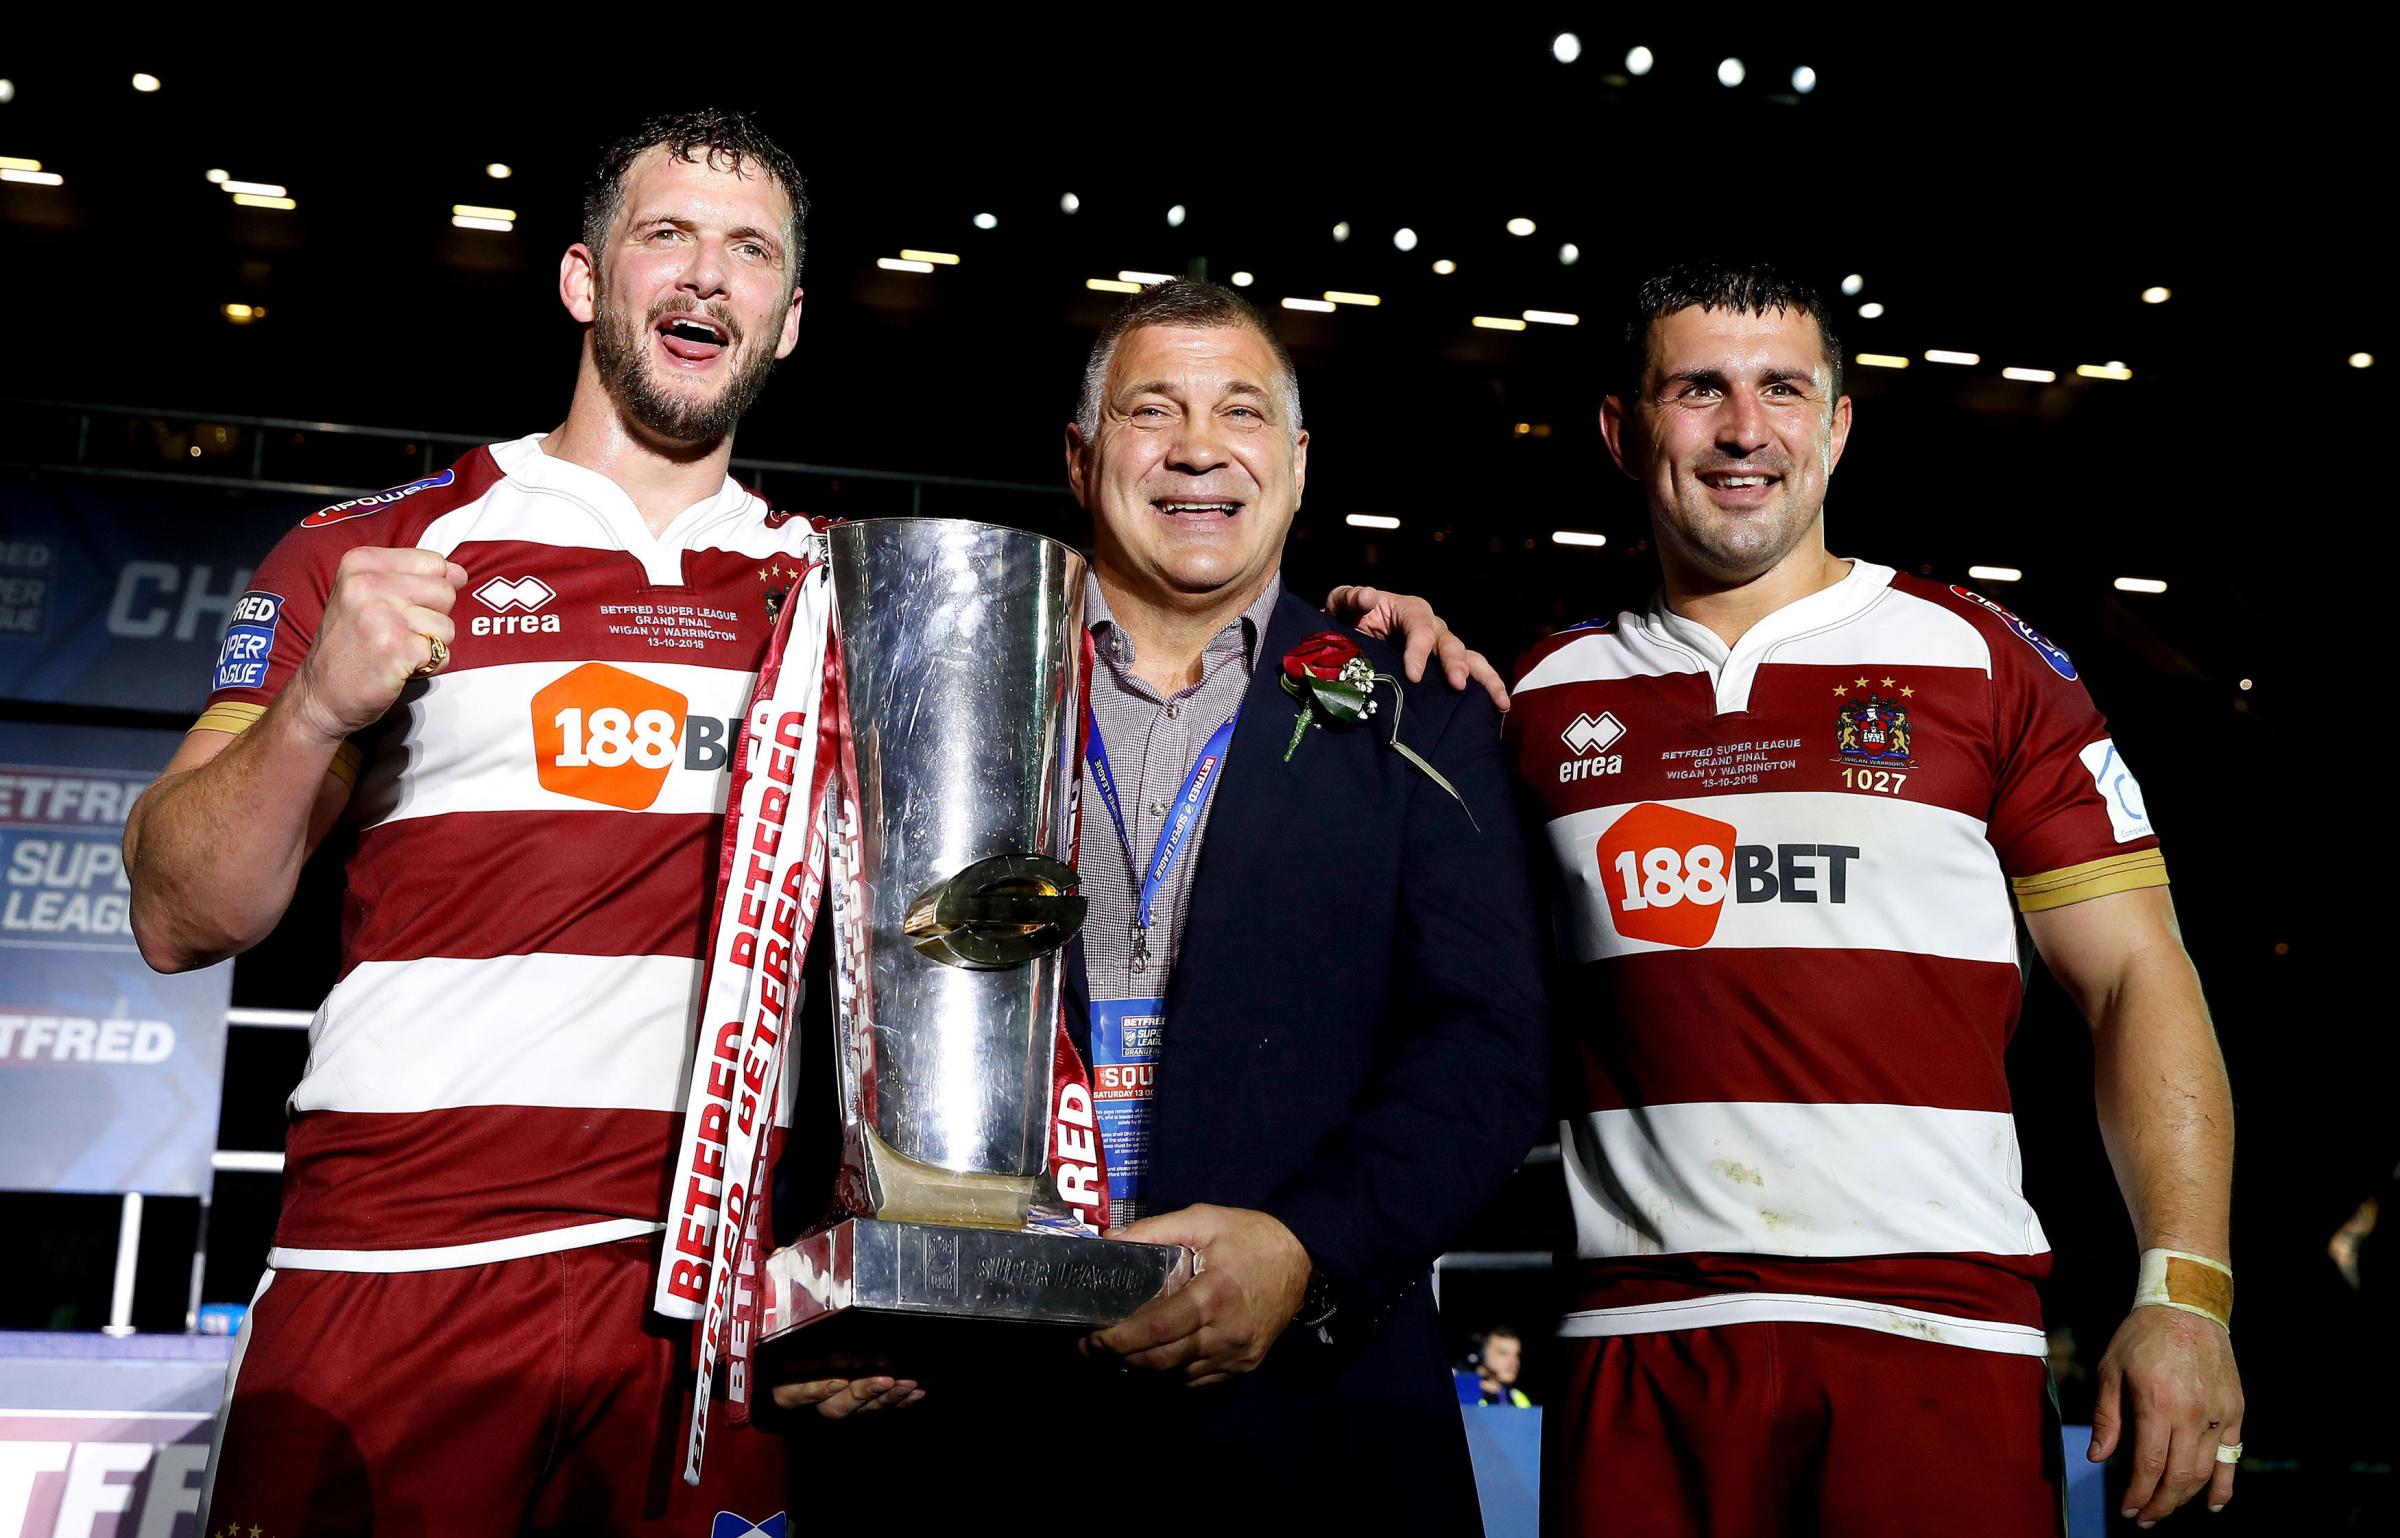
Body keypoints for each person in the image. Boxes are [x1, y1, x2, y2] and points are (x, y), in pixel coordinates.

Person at [783, 278, 1550, 1530]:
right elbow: (807, 997)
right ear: (1084, 460)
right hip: (975, 1417)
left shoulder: (1420, 710)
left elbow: (1488, 1053)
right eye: (1155, 410)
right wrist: (808, 1283)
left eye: (1240, 412)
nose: (1199, 446)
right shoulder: (931, 683)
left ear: (1297, 467)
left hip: (1313, 1419)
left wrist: (1304, 1251)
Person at [1503, 261, 2242, 1535]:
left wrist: (2185, 1288)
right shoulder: (1535, 697)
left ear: (1838, 425)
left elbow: (2138, 975)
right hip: (1644, 1337)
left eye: (1784, 389)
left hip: (1935, 1333)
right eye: (1701, 389)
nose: (1746, 430)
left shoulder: (1987, 666)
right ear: (1625, 432)